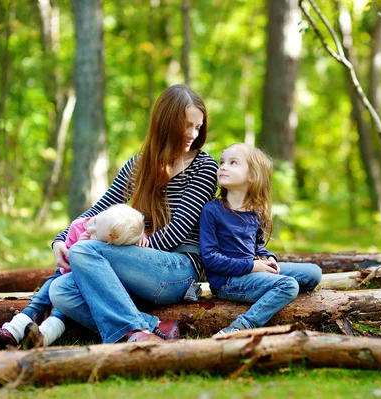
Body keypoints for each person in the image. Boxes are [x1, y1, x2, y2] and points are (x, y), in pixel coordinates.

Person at [48, 84, 218, 343]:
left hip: (178, 270)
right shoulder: (140, 165)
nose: (192, 134)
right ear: (166, 122)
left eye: (198, 126)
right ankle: (146, 329)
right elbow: (100, 210)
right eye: (187, 125)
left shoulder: (204, 167)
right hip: (138, 268)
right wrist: (61, 239)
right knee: (60, 290)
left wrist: (125, 247)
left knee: (84, 251)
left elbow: (177, 231)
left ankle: (130, 329)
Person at [0, 204, 146, 350]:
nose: (90, 229)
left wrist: (141, 239)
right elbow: (67, 261)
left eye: (96, 234)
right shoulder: (79, 226)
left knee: (61, 312)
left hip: (82, 288)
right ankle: (12, 332)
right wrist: (78, 247)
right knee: (40, 300)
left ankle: (41, 338)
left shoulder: (118, 238)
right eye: (95, 221)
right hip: (64, 275)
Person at [199, 143, 322, 335]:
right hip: (227, 281)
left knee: (314, 273)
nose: (223, 167)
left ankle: (271, 293)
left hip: (252, 271)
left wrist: (268, 258)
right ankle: (240, 327)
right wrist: (252, 266)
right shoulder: (212, 210)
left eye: (233, 163)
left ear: (252, 176)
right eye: (222, 162)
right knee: (288, 285)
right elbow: (210, 259)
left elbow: (258, 247)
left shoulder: (256, 212)